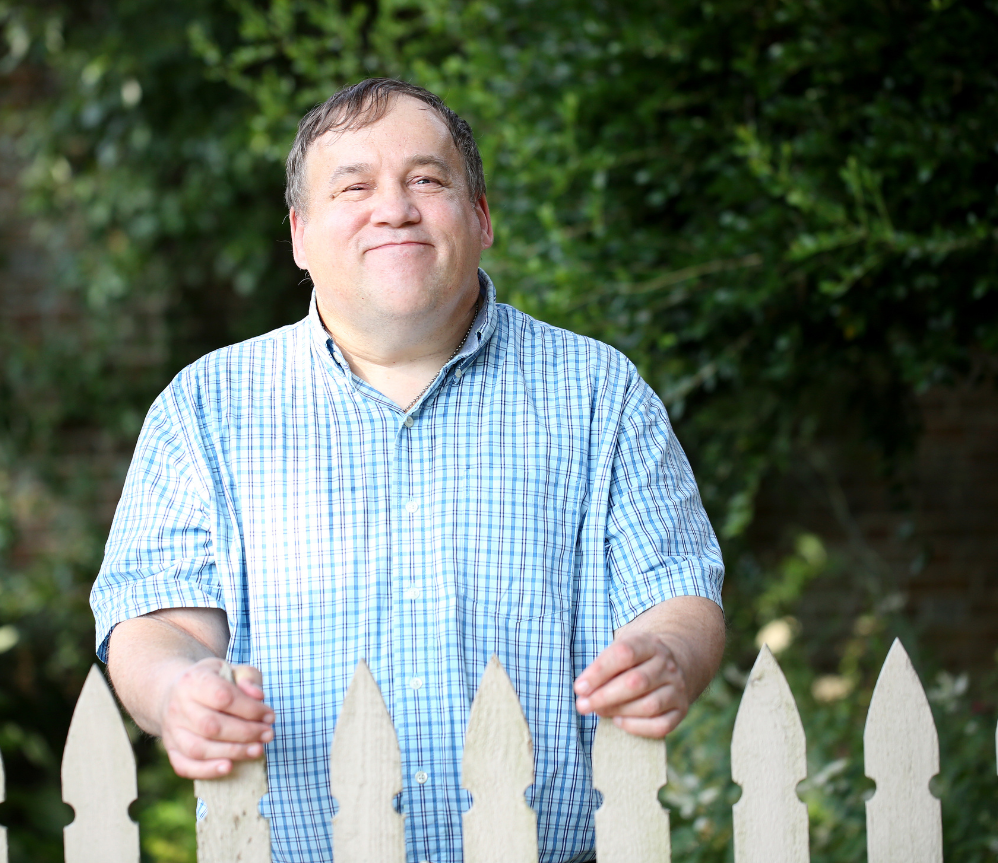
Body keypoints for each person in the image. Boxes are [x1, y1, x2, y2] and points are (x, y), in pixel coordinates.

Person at [90, 78, 725, 863]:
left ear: (482, 217)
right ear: (299, 233)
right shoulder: (207, 409)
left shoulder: (598, 394)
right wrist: (177, 691)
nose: (393, 208)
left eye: (426, 180)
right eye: (352, 187)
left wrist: (669, 656)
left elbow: (677, 598)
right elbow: (160, 622)